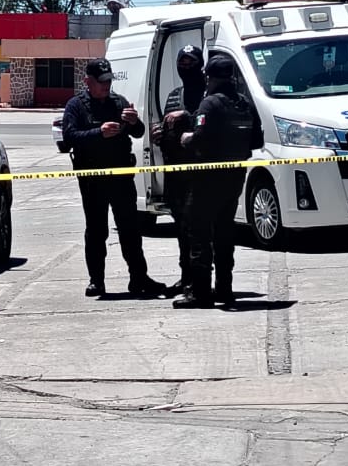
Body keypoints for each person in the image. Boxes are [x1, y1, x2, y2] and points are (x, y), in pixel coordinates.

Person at [61, 58, 166, 299]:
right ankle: (96, 281)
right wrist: (99, 133)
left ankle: (139, 277)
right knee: (97, 231)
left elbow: (139, 132)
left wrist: (133, 121)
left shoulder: (118, 102)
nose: (106, 86)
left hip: (120, 178)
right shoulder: (76, 105)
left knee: (130, 229)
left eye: (109, 81)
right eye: (101, 82)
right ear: (88, 81)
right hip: (93, 179)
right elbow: (69, 138)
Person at [170, 53, 264, 310]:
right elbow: (257, 141)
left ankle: (200, 293)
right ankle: (224, 288)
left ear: (209, 77)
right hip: (234, 178)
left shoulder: (209, 104)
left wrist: (187, 137)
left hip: (206, 179)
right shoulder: (244, 104)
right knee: (224, 233)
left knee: (198, 233)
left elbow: (198, 138)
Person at [152, 45, 207, 294]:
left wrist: (185, 116)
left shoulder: (208, 93)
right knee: (182, 227)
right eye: (182, 63)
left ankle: (201, 279)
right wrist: (159, 135)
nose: (186, 67)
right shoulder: (174, 94)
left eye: (190, 62)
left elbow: (209, 122)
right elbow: (168, 128)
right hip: (175, 171)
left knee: (201, 228)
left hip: (201, 171)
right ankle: (186, 275)